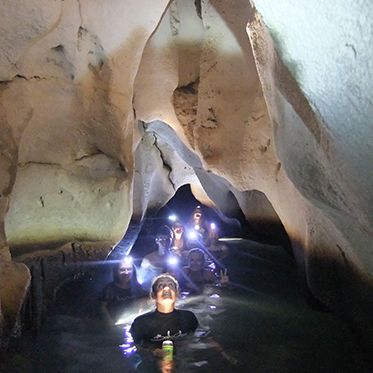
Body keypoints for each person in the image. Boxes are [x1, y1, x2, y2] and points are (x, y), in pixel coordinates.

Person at [130, 274, 198, 350]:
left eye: (171, 285)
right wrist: (153, 351)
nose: (166, 288)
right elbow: (137, 346)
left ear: (177, 294)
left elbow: (197, 339)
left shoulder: (189, 318)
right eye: (160, 285)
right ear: (153, 295)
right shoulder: (141, 323)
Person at [100, 256, 145, 327]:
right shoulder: (109, 288)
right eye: (122, 270)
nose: (126, 272)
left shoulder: (137, 287)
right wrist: (110, 324)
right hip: (116, 324)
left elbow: (142, 302)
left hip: (133, 323)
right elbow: (103, 307)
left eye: (129, 269)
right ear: (116, 271)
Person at [139, 226, 173, 290]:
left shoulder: (175, 258)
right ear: (157, 241)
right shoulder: (148, 259)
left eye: (167, 239)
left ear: (171, 241)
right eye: (162, 239)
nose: (164, 242)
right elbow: (140, 278)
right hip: (151, 291)